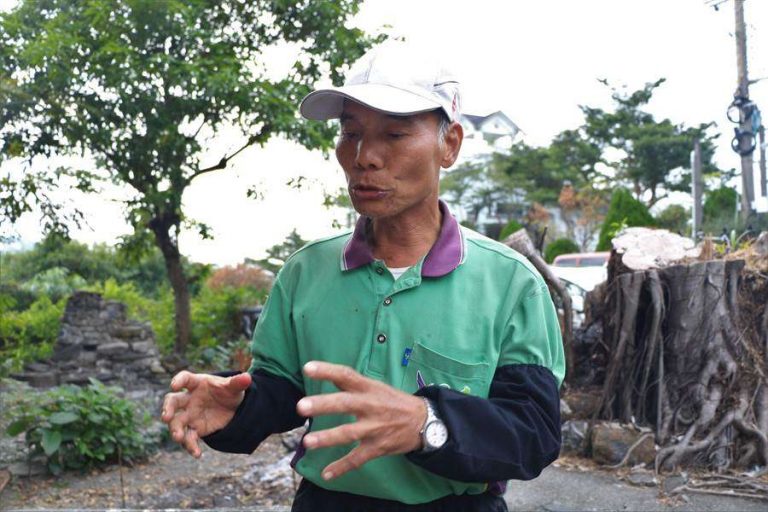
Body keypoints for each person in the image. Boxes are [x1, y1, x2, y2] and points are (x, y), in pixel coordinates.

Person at [161, 42, 565, 511]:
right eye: (350, 133)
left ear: (449, 144)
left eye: (394, 135)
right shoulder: (306, 272)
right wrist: (236, 409)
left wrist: (427, 422)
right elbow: (282, 389)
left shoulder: (510, 283)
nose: (364, 157)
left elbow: (533, 432)